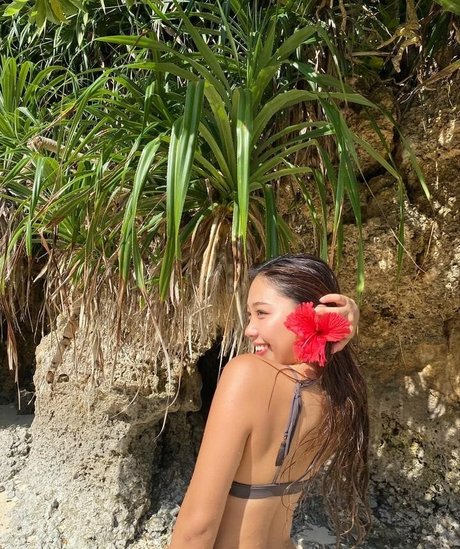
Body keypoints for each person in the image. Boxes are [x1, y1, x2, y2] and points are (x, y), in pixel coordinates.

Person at [169, 254, 369, 549]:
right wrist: (341, 323)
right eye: (250, 315)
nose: (249, 329)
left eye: (261, 313)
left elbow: (197, 528)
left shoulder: (247, 374)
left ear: (309, 313)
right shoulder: (339, 394)